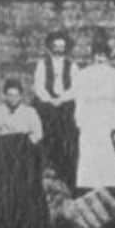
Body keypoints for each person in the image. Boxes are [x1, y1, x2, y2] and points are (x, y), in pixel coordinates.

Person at [0, 79, 53, 228]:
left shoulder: (29, 112)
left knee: (25, 187)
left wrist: (27, 145)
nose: (13, 99)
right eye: (10, 95)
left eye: (16, 95)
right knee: (1, 188)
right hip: (2, 154)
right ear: (4, 95)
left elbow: (38, 132)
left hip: (23, 153)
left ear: (21, 96)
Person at [74, 33, 115, 193]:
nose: (100, 59)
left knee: (111, 155)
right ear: (92, 56)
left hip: (109, 120)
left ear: (108, 57)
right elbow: (80, 100)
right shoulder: (84, 75)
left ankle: (112, 189)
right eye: (96, 55)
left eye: (103, 56)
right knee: (91, 155)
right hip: (90, 120)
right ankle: (91, 188)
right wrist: (81, 121)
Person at [33, 30, 80, 191]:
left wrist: (61, 99)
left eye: (62, 47)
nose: (59, 50)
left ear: (66, 48)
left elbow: (76, 88)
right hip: (47, 106)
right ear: (50, 47)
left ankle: (67, 177)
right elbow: (39, 87)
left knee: (67, 140)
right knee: (45, 137)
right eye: (56, 46)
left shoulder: (72, 66)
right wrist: (50, 99)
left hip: (65, 106)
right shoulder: (42, 64)